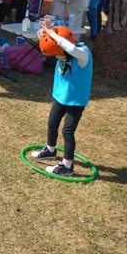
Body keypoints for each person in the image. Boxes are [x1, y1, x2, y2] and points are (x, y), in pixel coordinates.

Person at [31, 19, 93, 176]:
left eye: (59, 53)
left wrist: (53, 34)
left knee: (68, 131)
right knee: (52, 122)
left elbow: (69, 47)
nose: (58, 56)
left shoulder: (83, 53)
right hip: (61, 95)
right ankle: (50, 150)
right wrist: (45, 32)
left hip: (76, 100)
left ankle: (67, 166)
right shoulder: (63, 52)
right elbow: (49, 44)